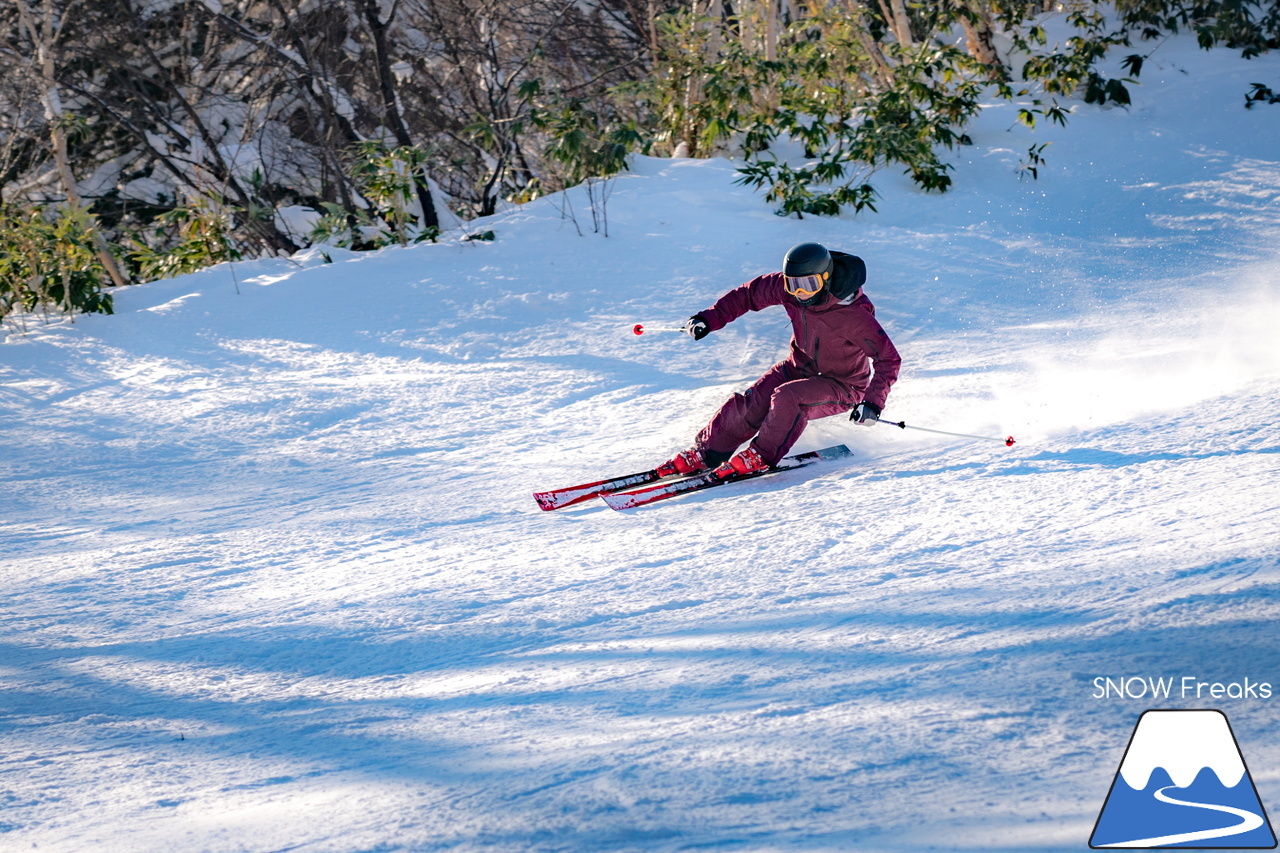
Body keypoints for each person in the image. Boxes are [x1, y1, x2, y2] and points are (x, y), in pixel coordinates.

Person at [658, 242, 901, 480]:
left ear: (825, 279)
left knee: (789, 397)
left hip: (843, 385)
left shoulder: (853, 314)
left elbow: (888, 359)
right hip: (799, 365)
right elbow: (748, 295)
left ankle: (760, 456)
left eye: (808, 284)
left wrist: (872, 404)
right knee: (755, 400)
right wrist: (709, 319)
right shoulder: (790, 291)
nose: (800, 292)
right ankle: (707, 453)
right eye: (792, 284)